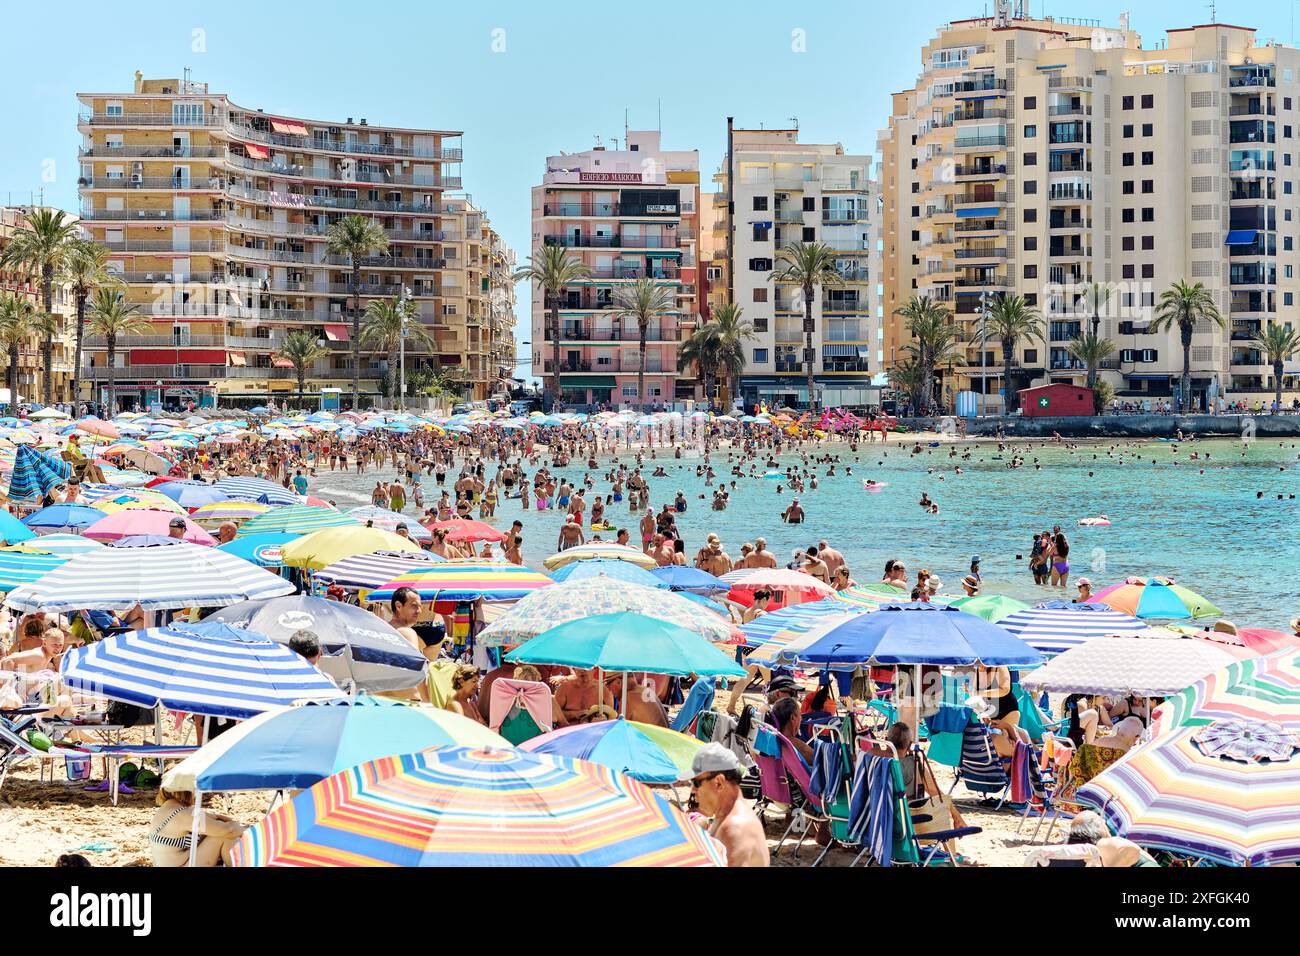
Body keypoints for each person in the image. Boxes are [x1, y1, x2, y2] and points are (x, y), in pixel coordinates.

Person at [689, 742, 768, 867]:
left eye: (696, 783)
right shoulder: (726, 817)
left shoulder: (735, 828)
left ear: (719, 783)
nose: (692, 790)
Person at [149, 788, 246, 867]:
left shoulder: (170, 808)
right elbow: (228, 830)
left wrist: (233, 826)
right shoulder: (183, 814)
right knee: (224, 836)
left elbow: (216, 818)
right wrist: (240, 828)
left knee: (219, 831)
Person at [1067, 810, 1158, 867]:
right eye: (1101, 820)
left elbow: (1131, 850)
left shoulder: (1103, 844)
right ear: (1099, 826)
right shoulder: (1099, 846)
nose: (1104, 822)